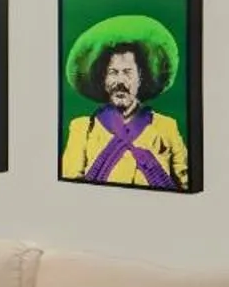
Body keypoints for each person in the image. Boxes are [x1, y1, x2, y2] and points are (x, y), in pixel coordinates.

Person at [60, 13, 189, 189]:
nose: (120, 81)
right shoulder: (83, 129)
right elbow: (72, 188)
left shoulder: (166, 128)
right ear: (103, 80)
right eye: (113, 72)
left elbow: (185, 184)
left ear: (141, 78)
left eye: (128, 72)